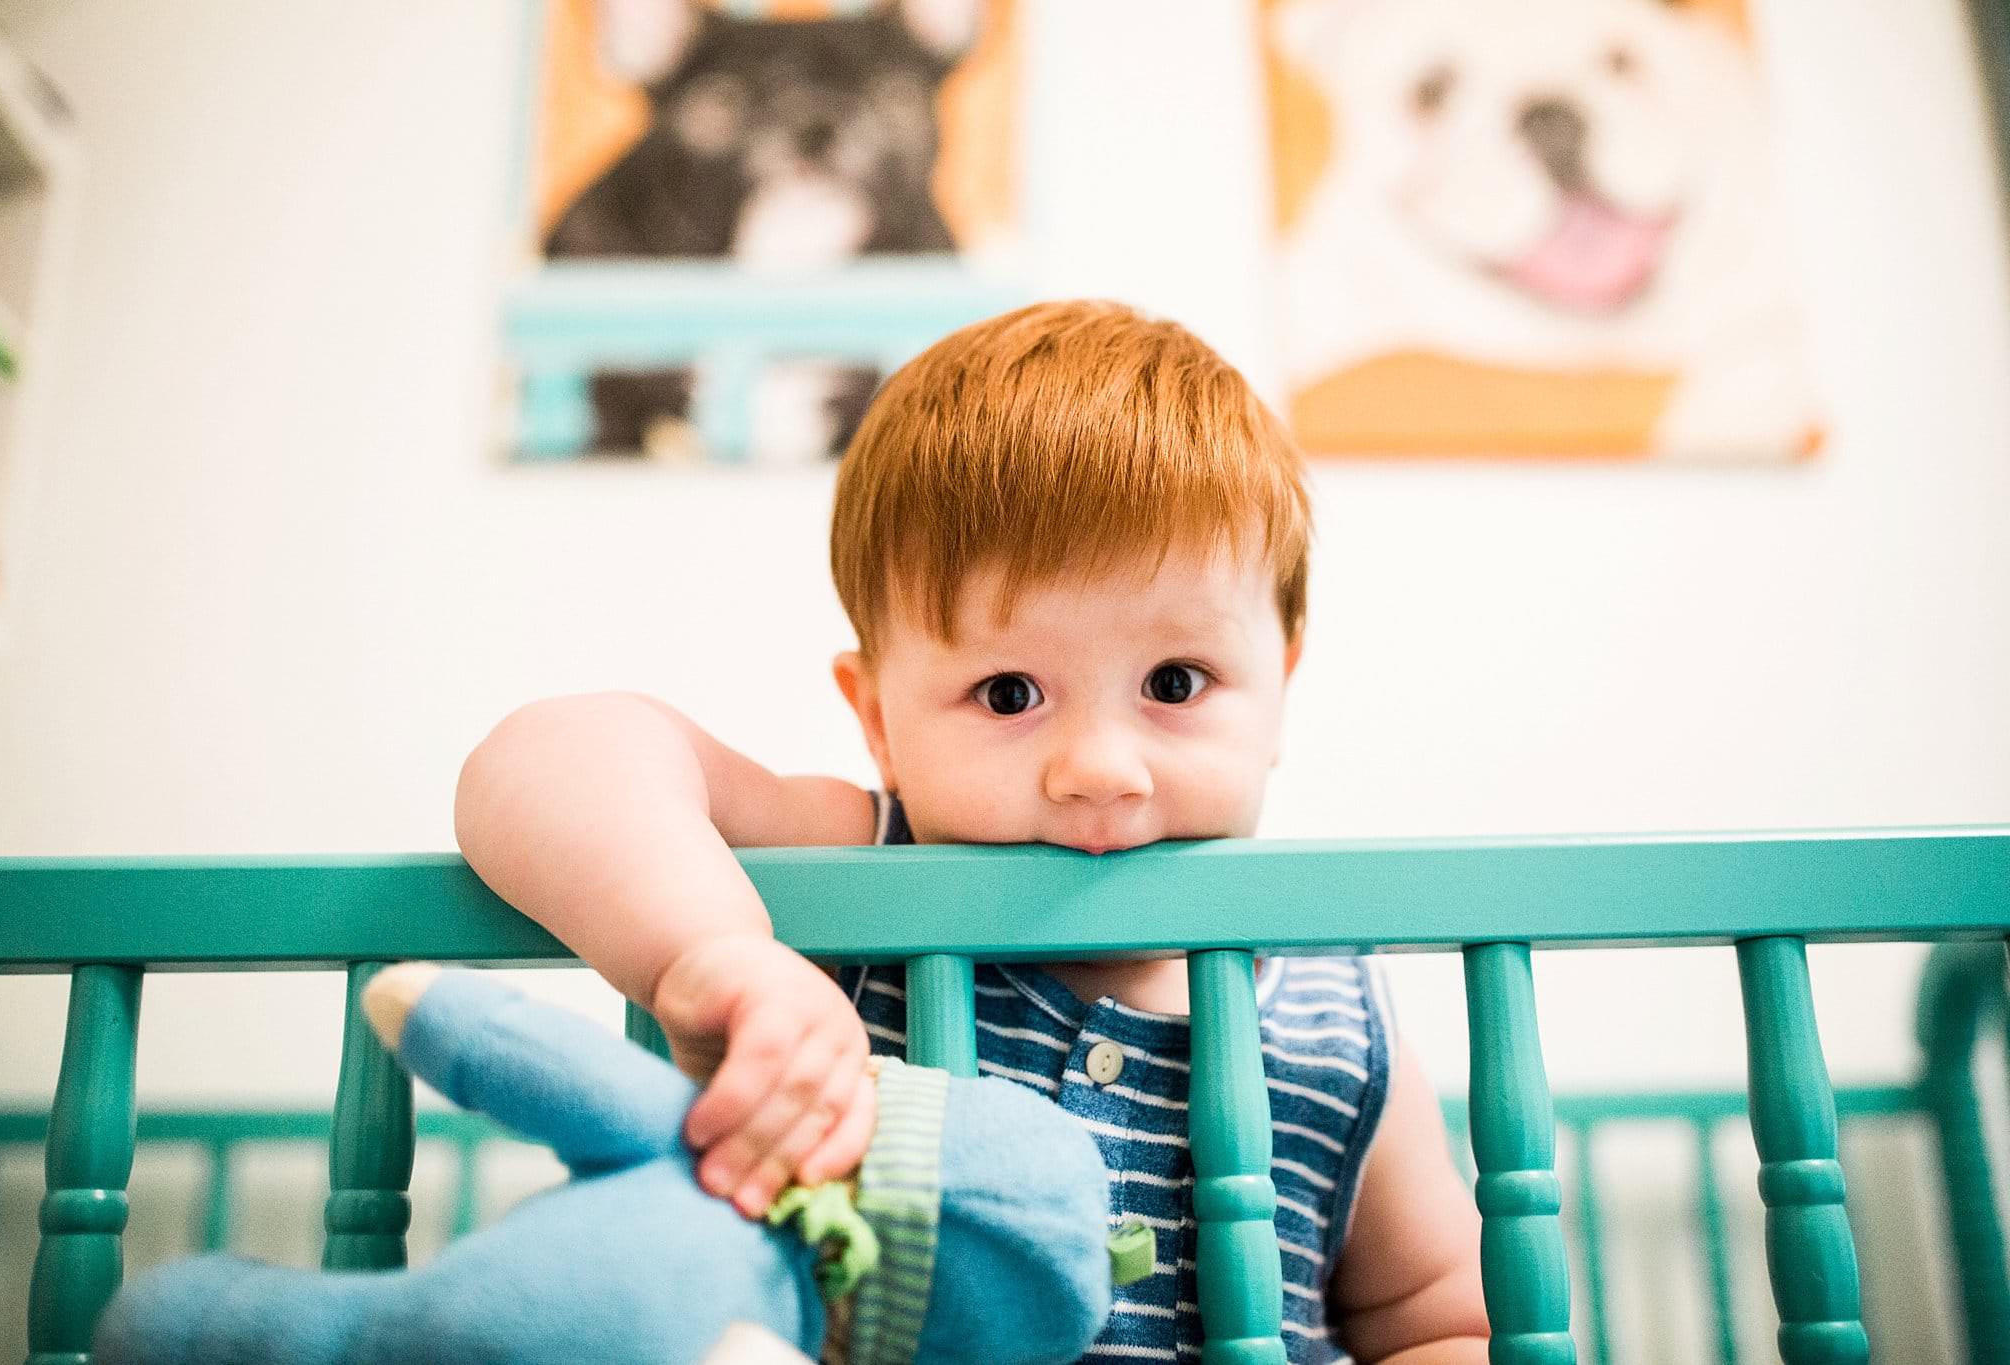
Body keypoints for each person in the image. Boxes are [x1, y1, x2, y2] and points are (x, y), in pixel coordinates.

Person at [456, 300, 1488, 1362]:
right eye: (1006, 693)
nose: (1098, 770)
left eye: (1173, 683)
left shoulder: (1334, 1007)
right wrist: (714, 955)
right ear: (878, 723)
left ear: (1279, 690)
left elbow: (1438, 1320)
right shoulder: (853, 881)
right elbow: (539, 761)